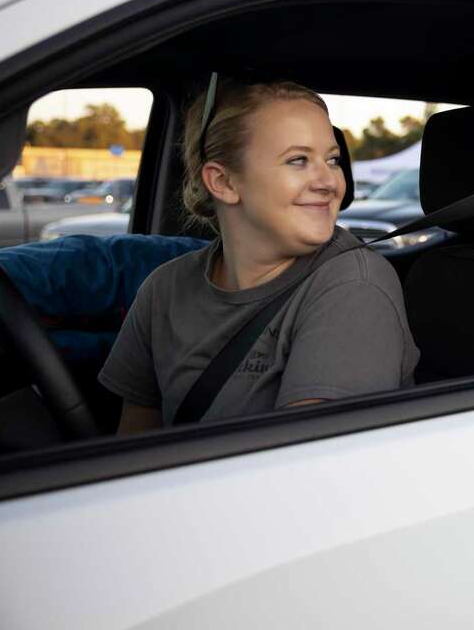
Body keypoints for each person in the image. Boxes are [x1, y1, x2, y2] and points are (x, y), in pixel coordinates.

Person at [99, 78, 419, 432]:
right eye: (298, 160)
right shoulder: (163, 289)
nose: (329, 181)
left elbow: (306, 467)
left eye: (333, 159)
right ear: (223, 182)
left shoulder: (355, 286)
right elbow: (135, 445)